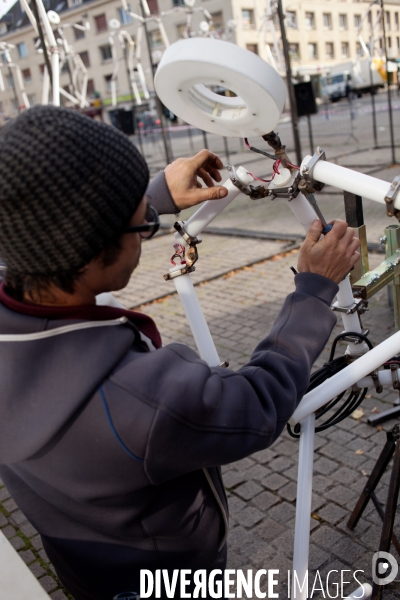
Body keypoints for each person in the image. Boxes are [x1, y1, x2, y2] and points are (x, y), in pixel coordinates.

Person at [0, 105, 360, 600]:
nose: (148, 232)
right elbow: (259, 401)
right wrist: (314, 292)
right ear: (86, 253)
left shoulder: (23, 276)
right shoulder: (143, 402)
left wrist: (151, 197)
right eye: (141, 228)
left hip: (87, 571)